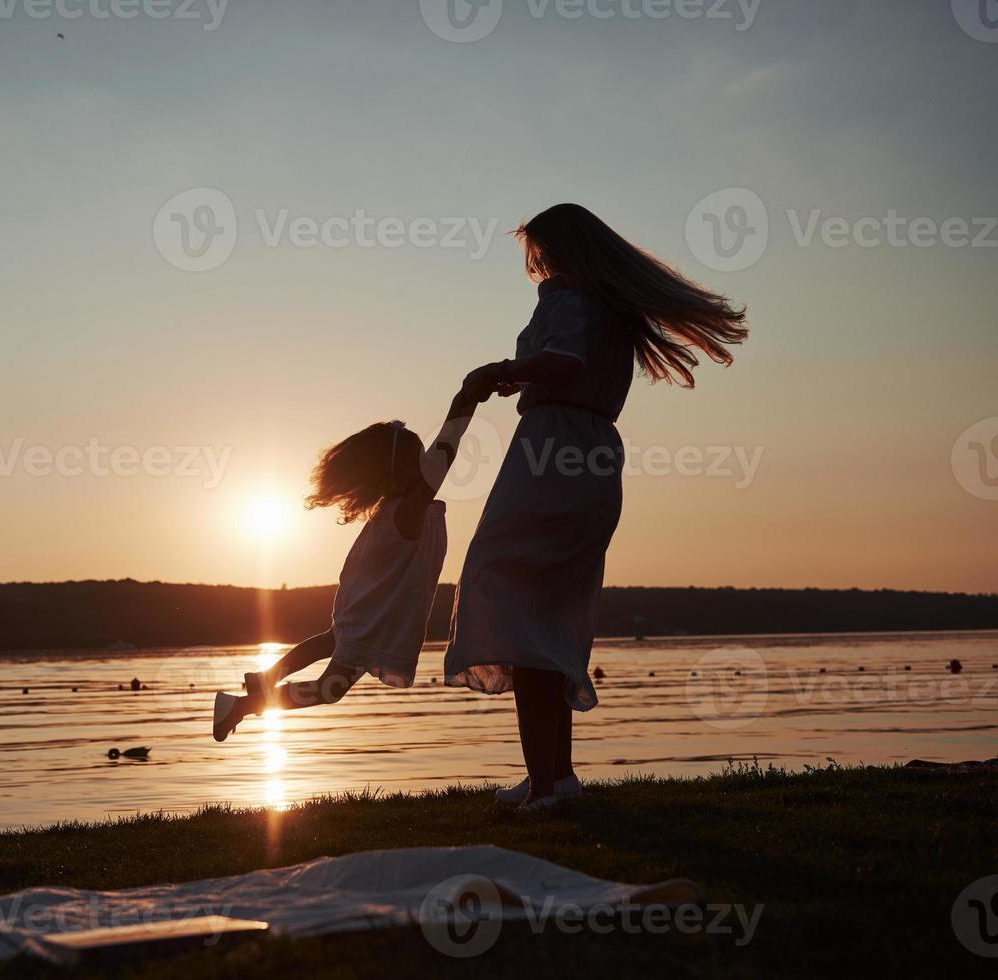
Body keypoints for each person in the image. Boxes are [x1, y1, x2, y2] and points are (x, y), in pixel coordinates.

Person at [447, 203, 748, 810]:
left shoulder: (565, 295)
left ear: (556, 250)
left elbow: (564, 362)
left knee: (510, 594)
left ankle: (544, 783)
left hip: (551, 448)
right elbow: (576, 363)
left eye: (539, 251)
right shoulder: (614, 308)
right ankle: (556, 777)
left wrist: (495, 373)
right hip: (593, 454)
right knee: (550, 608)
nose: (537, 264)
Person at [212, 384, 489, 741]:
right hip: (373, 614)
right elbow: (446, 448)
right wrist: (465, 400)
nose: (426, 466)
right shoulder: (409, 509)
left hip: (364, 607)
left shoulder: (393, 510)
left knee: (331, 639)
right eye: (419, 459)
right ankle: (241, 706)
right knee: (331, 689)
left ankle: (265, 679)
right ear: (402, 472)